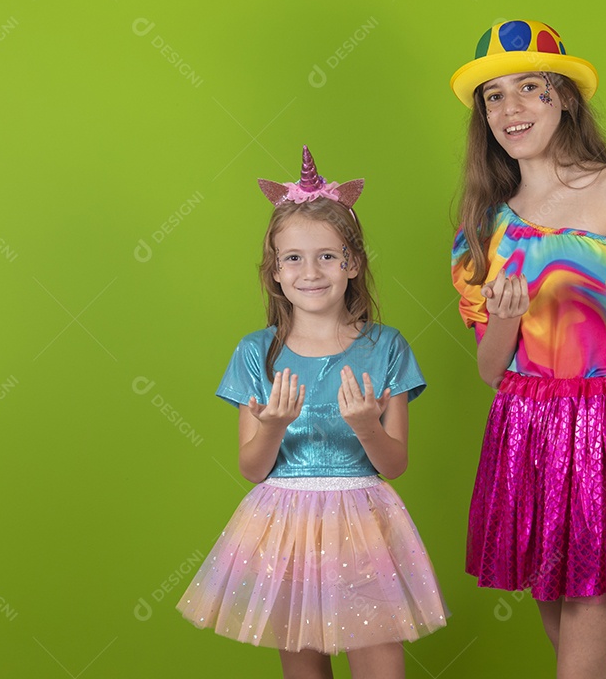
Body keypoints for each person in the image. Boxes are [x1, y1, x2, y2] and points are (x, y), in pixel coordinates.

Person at [449, 20, 606, 677]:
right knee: (576, 658)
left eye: (531, 88)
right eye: (494, 96)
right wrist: (505, 319)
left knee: (580, 663)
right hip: (523, 430)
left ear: (565, 100)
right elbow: (489, 368)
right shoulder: (482, 223)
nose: (512, 108)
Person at [178, 146, 447, 679]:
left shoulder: (386, 347)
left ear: (352, 263)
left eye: (327, 255)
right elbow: (252, 468)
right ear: (275, 272)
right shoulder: (257, 354)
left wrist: (368, 427)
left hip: (365, 523)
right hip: (285, 529)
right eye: (294, 258)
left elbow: (394, 464)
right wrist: (272, 426)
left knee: (381, 667)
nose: (311, 271)